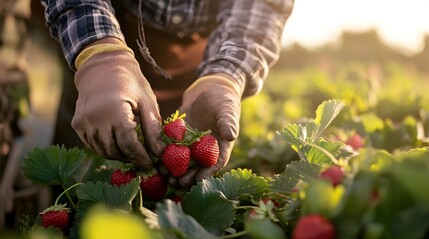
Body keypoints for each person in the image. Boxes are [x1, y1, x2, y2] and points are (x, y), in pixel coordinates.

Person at [32, 0, 294, 187]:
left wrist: (225, 76)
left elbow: (264, 5)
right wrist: (99, 56)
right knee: (82, 158)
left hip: (195, 66)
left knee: (174, 179)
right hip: (96, 46)